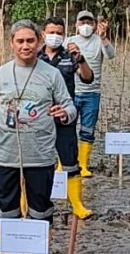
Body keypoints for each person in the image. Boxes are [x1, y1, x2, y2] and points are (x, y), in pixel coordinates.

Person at [0, 20, 76, 254]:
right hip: (6, 154)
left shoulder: (52, 74)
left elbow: (70, 106)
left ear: (39, 42)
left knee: (40, 208)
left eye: (30, 41)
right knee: (7, 208)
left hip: (41, 154)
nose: (25, 46)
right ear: (11, 44)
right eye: (20, 41)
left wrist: (63, 113)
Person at [39, 16, 95, 219]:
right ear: (43, 34)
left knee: (70, 161)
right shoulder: (35, 57)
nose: (54, 36)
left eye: (59, 33)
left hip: (65, 117)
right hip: (39, 118)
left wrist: (80, 59)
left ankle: (77, 204)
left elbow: (88, 78)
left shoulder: (69, 55)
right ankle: (36, 201)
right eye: (51, 32)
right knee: (37, 163)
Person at [66, 10, 116, 178]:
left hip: (92, 93)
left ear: (95, 25)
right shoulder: (69, 41)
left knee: (88, 130)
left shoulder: (99, 41)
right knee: (67, 129)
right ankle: (65, 162)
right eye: (82, 22)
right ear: (76, 25)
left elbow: (111, 55)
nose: (85, 26)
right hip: (71, 92)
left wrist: (103, 37)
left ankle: (83, 164)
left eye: (89, 22)